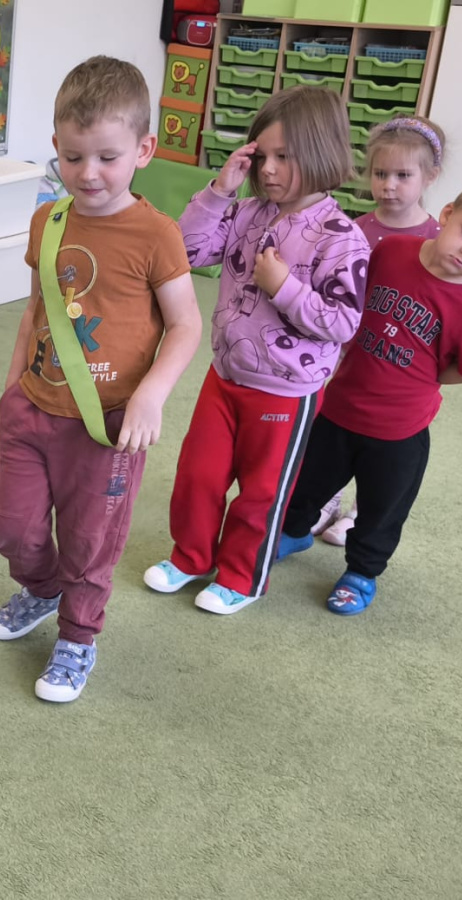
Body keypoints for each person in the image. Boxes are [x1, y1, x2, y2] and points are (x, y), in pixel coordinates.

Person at [0, 56, 202, 702]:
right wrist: (11, 388)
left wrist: (151, 395)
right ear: (56, 144)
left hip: (106, 425)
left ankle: (79, 634)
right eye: (73, 157)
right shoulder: (48, 221)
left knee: (90, 540)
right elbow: (37, 308)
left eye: (108, 157)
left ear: (144, 150)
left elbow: (186, 325)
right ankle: (42, 588)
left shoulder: (157, 235)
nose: (88, 174)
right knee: (9, 526)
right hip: (31, 408)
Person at [275, 169, 462, 615]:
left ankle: (361, 573)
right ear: (448, 214)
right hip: (339, 406)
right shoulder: (391, 251)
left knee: (382, 509)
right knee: (308, 481)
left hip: (399, 433)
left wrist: (427, 377)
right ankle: (293, 533)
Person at [143, 85, 370, 615]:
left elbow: (342, 323)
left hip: (285, 392)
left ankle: (242, 578)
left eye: (284, 157)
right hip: (225, 377)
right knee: (198, 476)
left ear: (321, 152)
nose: (268, 170)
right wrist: (218, 192)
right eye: (261, 156)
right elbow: (185, 251)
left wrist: (284, 287)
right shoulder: (246, 212)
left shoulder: (342, 238)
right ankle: (191, 556)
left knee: (261, 492)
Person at [316, 115, 449, 545]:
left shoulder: (439, 239)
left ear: (430, 176)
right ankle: (326, 498)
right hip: (352, 348)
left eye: (403, 175)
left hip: (404, 361)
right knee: (335, 426)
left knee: (386, 443)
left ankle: (361, 512)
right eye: (380, 174)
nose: (389, 185)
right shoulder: (356, 229)